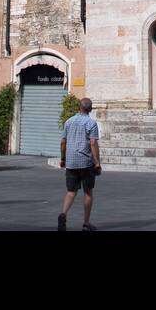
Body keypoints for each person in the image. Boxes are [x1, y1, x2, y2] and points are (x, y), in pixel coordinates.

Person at [57, 97, 100, 231]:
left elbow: (63, 141)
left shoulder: (69, 122)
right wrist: (97, 162)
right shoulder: (91, 123)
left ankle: (63, 214)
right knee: (88, 192)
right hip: (86, 163)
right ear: (90, 109)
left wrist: (63, 158)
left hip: (71, 162)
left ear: (79, 107)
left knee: (71, 191)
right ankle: (86, 224)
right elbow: (93, 143)